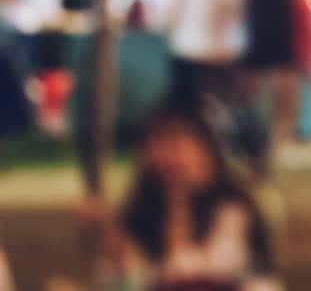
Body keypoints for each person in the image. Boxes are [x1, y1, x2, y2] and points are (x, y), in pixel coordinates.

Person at [112, 104, 276, 289]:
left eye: (177, 144)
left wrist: (178, 210)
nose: (167, 156)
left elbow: (209, 268)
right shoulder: (147, 206)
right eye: (159, 142)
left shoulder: (232, 205)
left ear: (206, 151)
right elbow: (129, 275)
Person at [241, 0, 300, 176]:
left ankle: (277, 139)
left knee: (279, 87)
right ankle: (261, 142)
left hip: (269, 28)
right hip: (263, 28)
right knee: (262, 91)